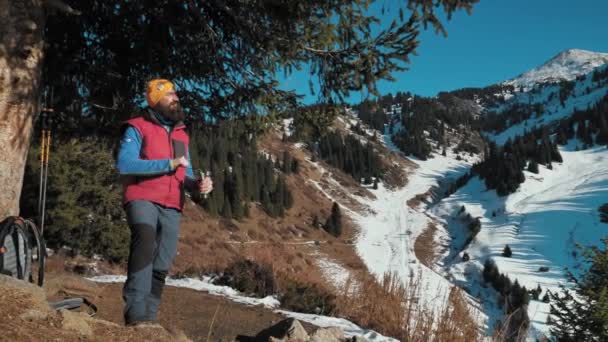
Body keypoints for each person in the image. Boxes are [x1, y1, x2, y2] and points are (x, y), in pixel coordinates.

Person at [116, 78, 213, 325]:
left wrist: (197, 185)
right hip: (142, 196)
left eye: (175, 93)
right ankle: (135, 315)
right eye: (169, 94)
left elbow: (185, 172)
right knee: (145, 241)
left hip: (172, 203)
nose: (175, 97)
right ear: (156, 100)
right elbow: (125, 164)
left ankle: (148, 320)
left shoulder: (181, 134)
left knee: (163, 260)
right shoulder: (137, 127)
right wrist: (167, 164)